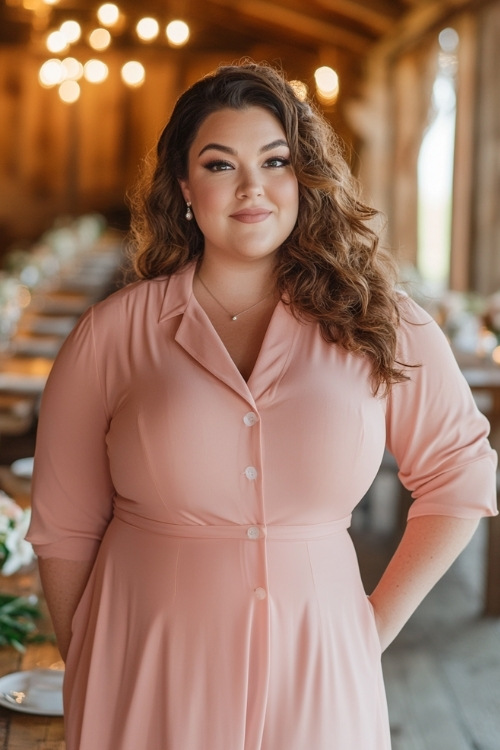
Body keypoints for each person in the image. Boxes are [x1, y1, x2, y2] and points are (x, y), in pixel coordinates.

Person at [27, 61, 497, 750]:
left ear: (303, 176)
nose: (251, 187)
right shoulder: (112, 335)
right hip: (145, 669)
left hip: (320, 675)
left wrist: (371, 628)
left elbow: (461, 478)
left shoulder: (383, 323)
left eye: (274, 160)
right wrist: (96, 663)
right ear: (185, 187)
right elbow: (63, 526)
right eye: (220, 165)